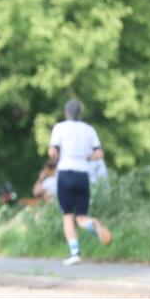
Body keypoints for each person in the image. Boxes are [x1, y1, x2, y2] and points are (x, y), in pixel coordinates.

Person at [49, 99, 113, 265]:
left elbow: (52, 151)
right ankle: (93, 223)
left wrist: (56, 156)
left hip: (65, 173)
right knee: (82, 216)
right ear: (80, 113)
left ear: (66, 112)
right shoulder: (89, 130)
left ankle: (75, 252)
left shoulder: (60, 128)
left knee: (67, 215)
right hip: (83, 174)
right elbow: (99, 153)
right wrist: (86, 157)